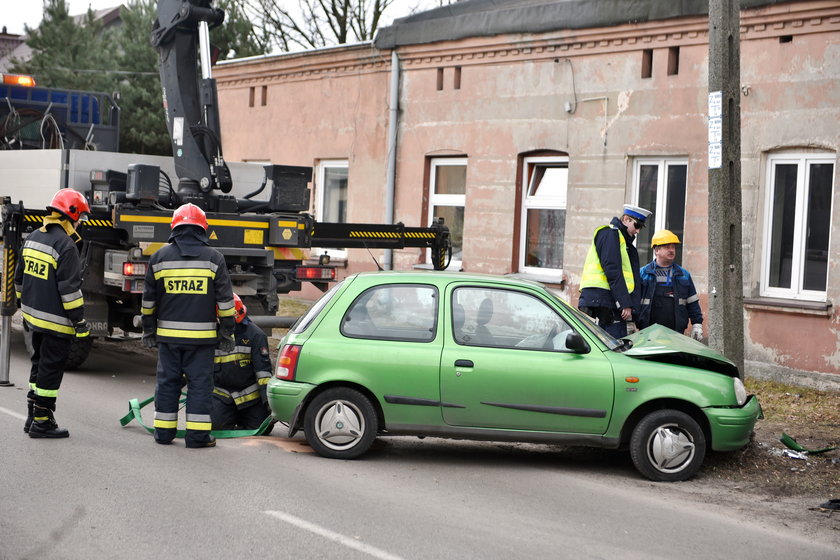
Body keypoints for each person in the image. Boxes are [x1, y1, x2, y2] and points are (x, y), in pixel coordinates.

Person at [141, 203, 236, 448]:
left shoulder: (159, 257)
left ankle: (163, 433)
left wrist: (148, 330)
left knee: (167, 384)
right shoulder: (214, 259)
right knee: (200, 386)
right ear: (203, 229)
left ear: (175, 227)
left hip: (168, 340)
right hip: (202, 341)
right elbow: (225, 302)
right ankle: (197, 438)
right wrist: (227, 332)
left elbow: (149, 302)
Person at [14, 189, 91, 438]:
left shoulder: (35, 236)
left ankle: (31, 415)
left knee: (38, 366)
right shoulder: (66, 246)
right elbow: (69, 290)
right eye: (80, 217)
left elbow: (18, 279)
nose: (80, 222)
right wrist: (79, 321)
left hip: (32, 318)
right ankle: (42, 422)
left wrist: (22, 304)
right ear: (71, 215)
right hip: (56, 323)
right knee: (50, 370)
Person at [578, 204, 651, 338]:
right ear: (626, 219)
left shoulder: (624, 242)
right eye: (637, 225)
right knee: (615, 346)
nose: (638, 231)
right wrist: (624, 303)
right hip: (605, 297)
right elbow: (613, 270)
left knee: (607, 344)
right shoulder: (610, 234)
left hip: (608, 299)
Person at [211, 293, 273, 431]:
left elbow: (263, 373)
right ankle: (229, 416)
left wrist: (268, 402)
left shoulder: (256, 335)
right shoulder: (211, 334)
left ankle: (240, 417)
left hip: (250, 396)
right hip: (222, 395)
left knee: (263, 428)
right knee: (215, 427)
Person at [637, 230, 704, 341]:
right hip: (647, 333)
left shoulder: (684, 275)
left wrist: (697, 324)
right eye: (667, 247)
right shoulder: (643, 274)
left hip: (675, 334)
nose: (671, 250)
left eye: (673, 247)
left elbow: (692, 301)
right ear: (657, 250)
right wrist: (629, 322)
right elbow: (633, 300)